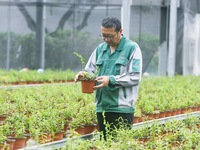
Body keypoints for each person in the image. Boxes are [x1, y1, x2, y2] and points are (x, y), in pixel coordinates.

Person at [75, 16, 142, 140]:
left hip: (122, 108)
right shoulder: (100, 49)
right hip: (102, 106)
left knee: (120, 144)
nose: (106, 39)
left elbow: (135, 77)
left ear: (120, 31)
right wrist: (84, 74)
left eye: (110, 36)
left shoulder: (132, 48)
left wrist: (111, 80)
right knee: (105, 143)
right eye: (103, 36)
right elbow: (90, 70)